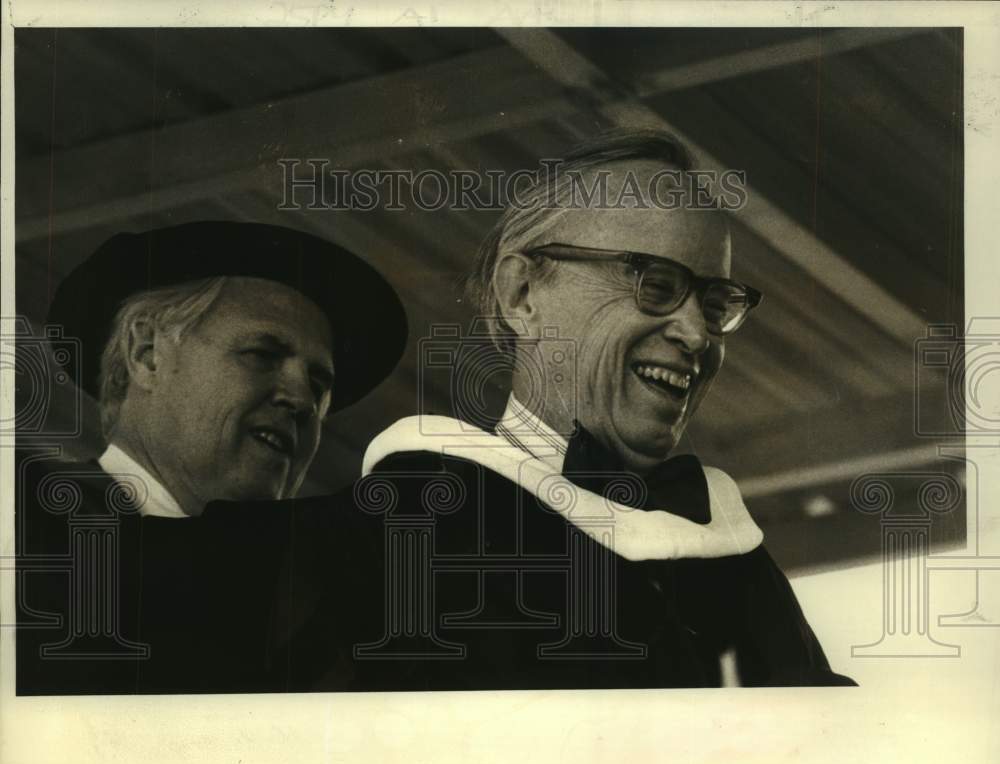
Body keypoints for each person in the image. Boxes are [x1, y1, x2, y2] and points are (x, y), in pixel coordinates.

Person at [346, 130, 855, 689]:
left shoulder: (738, 565)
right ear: (523, 296)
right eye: (654, 283)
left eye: (714, 305)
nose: (695, 334)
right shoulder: (414, 528)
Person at [16, 221, 407, 694]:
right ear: (147, 355)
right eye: (262, 354)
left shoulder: (318, 619)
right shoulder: (21, 523)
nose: (301, 400)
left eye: (319, 385)